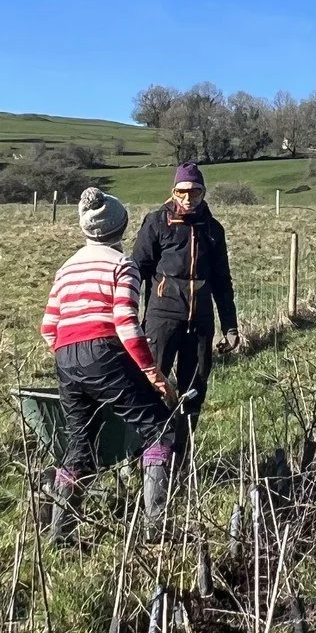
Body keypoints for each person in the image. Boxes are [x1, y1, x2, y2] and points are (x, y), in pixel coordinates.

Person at [41, 187, 177, 527]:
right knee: (159, 429)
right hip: (104, 351)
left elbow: (48, 327)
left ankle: (62, 531)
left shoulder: (67, 268)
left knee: (78, 445)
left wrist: (71, 360)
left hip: (64, 357)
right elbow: (126, 324)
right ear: (122, 227)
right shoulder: (122, 265)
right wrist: (152, 373)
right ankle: (156, 526)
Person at [129, 163, 239, 435]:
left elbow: (222, 281)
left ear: (203, 193)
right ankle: (149, 456)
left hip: (201, 323)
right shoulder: (155, 223)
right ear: (173, 192)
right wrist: (125, 320)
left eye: (195, 192)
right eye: (182, 192)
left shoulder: (213, 230)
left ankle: (183, 457)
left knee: (195, 390)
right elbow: (136, 271)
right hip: (161, 319)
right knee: (152, 387)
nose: (188, 198)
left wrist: (230, 326)